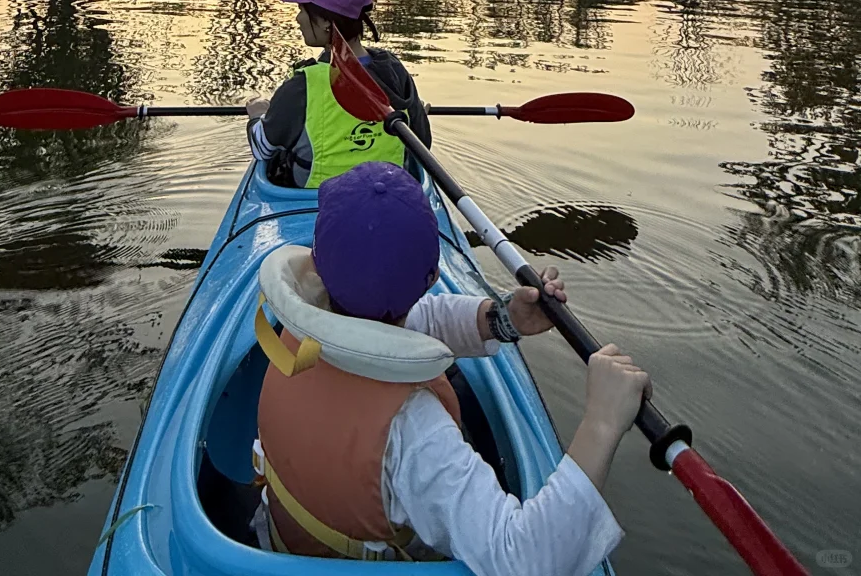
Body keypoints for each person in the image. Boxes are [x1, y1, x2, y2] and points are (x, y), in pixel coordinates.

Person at [252, 162, 649, 576]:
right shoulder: (413, 431)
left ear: (318, 264)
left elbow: (415, 320)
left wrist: (504, 318)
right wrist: (602, 423)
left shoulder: (302, 324)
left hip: (274, 539)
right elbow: (525, 561)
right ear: (432, 277)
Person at [246, 0, 431, 188]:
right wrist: (418, 115)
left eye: (302, 10)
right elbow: (422, 144)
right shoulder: (395, 71)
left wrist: (257, 116)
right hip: (385, 195)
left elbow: (262, 149)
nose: (297, 19)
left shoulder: (303, 85)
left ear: (325, 21)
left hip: (312, 202)